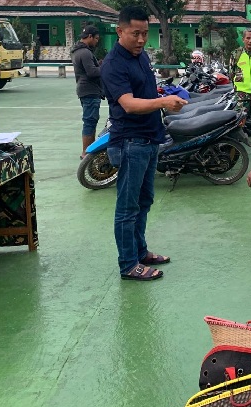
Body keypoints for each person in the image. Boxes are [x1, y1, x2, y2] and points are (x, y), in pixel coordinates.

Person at [100, 6, 187, 281]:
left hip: (149, 139)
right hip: (130, 142)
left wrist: (163, 95)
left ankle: (140, 252)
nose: (140, 39)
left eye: (144, 34)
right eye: (135, 34)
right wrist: (163, 103)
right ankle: (128, 265)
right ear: (120, 31)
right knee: (127, 207)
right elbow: (127, 103)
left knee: (144, 201)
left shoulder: (141, 56)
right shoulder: (114, 63)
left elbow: (146, 91)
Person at [71, 25, 103, 159]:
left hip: (85, 90)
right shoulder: (85, 52)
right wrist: (105, 67)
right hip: (89, 90)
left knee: (91, 121)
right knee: (90, 121)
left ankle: (89, 151)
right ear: (89, 37)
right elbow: (92, 72)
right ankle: (86, 153)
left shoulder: (78, 51)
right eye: (95, 39)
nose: (96, 41)